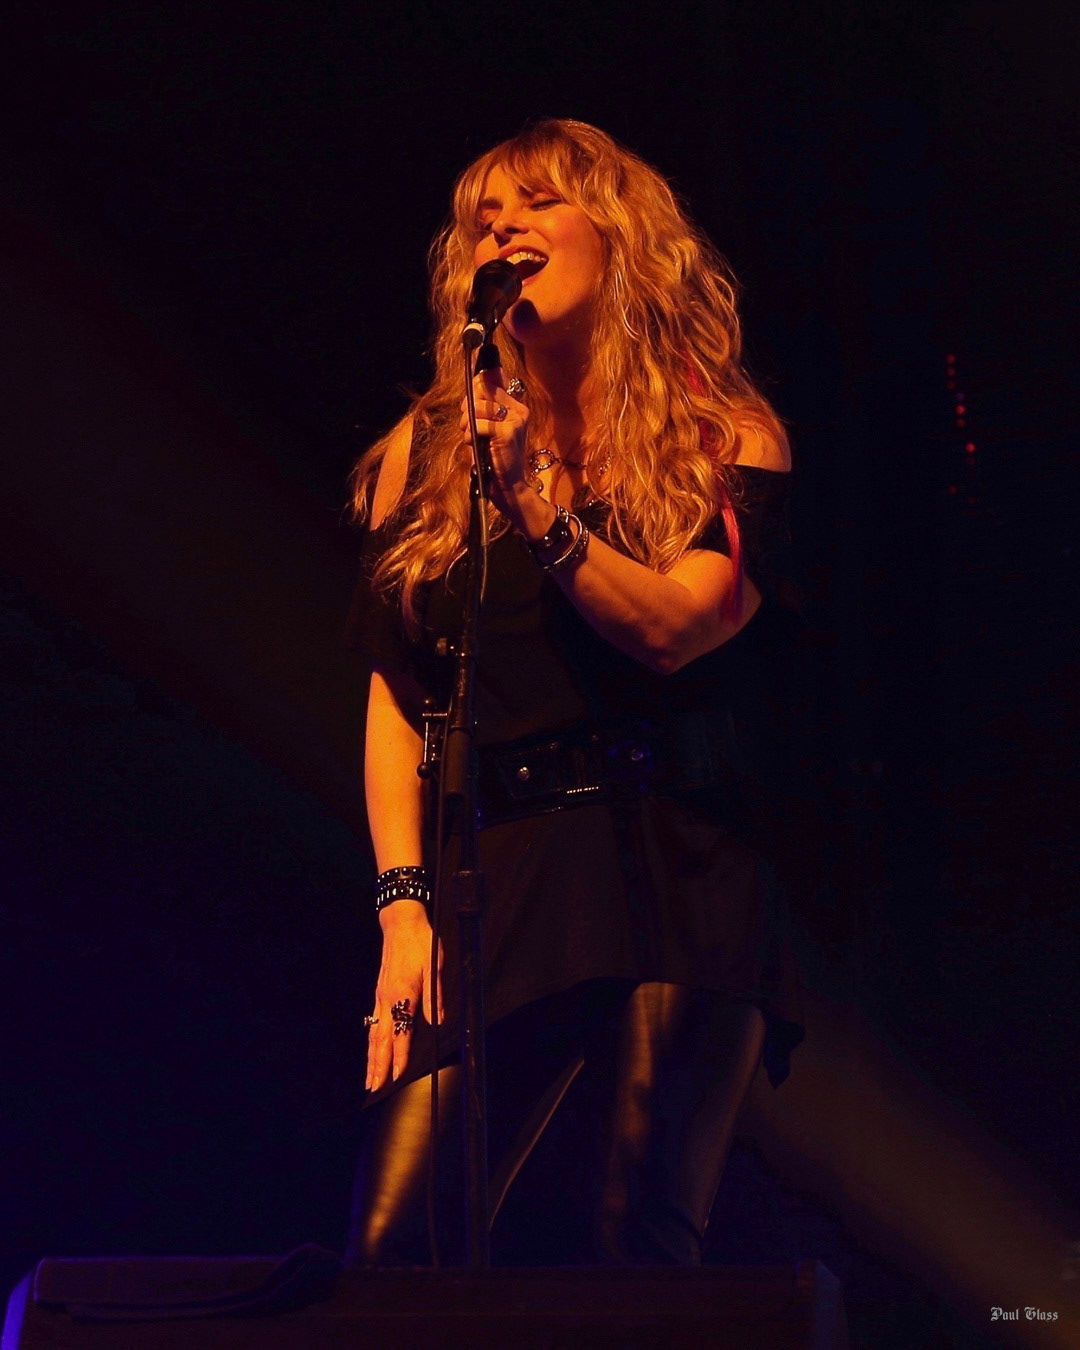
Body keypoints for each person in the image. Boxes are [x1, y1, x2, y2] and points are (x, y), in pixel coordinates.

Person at [343, 118, 804, 1267]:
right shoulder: (424, 455)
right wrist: (403, 907)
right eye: (484, 218)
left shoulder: (720, 436)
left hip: (673, 863)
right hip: (496, 876)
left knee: (630, 1241)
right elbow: (397, 696)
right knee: (393, 1253)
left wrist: (540, 511)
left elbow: (675, 631)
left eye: (538, 203)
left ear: (620, 236)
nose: (504, 228)